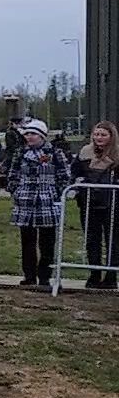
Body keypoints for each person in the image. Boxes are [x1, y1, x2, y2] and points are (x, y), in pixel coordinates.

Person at [7, 120, 70, 287]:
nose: (29, 137)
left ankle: (45, 276)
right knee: (27, 241)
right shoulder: (20, 153)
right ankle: (29, 275)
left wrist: (56, 193)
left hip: (47, 201)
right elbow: (13, 173)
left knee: (47, 242)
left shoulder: (55, 153)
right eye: (27, 134)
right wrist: (15, 190)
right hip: (25, 201)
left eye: (33, 134)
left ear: (42, 136)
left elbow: (64, 175)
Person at [73, 119, 117, 289]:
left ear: (111, 136)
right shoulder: (85, 153)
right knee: (92, 239)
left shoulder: (117, 154)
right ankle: (94, 274)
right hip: (89, 202)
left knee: (113, 240)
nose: (99, 137)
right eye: (96, 134)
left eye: (103, 134)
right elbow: (75, 172)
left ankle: (111, 275)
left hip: (113, 204)